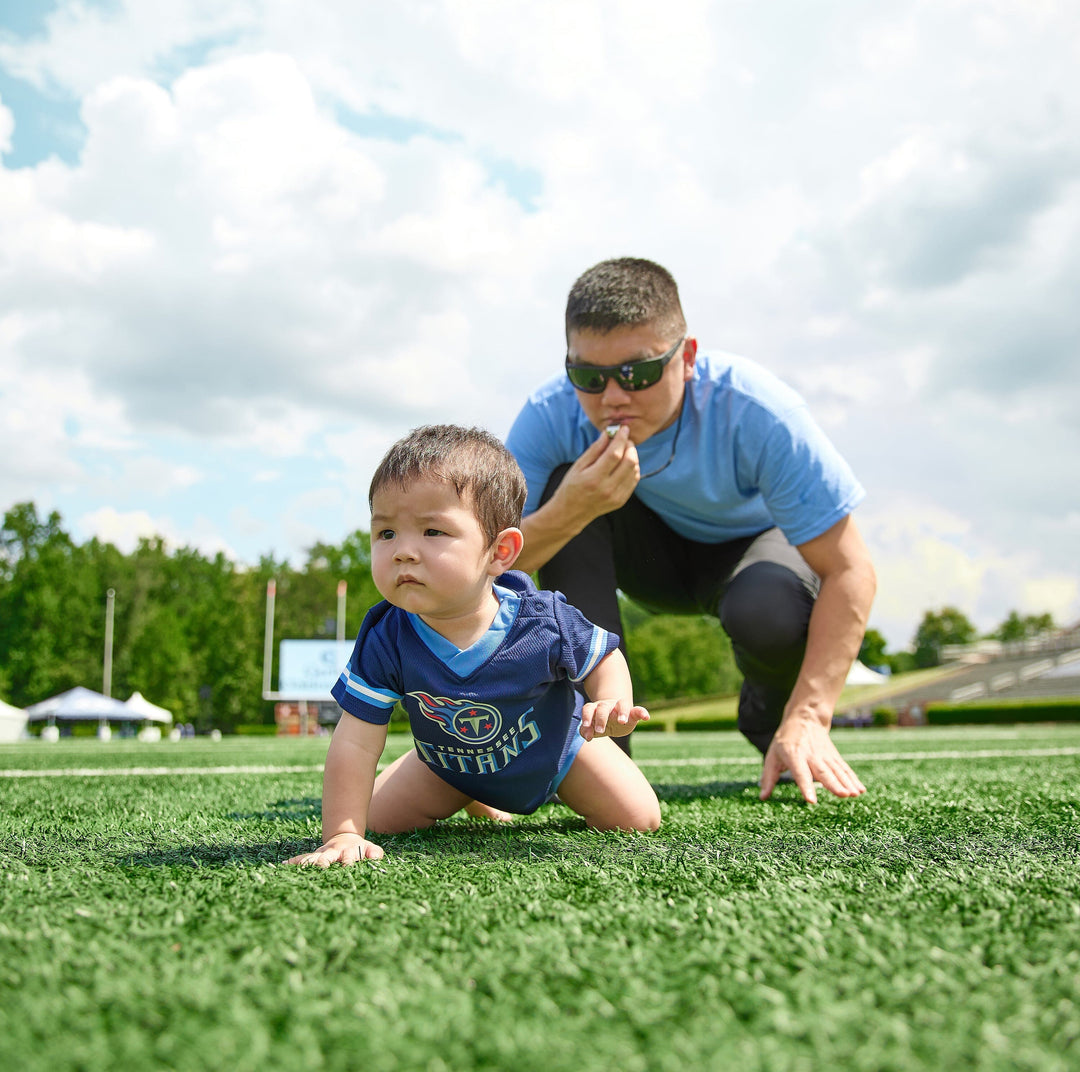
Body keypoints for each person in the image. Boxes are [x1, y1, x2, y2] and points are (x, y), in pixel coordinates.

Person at [505, 258, 876, 805]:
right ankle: (602, 757)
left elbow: (851, 569)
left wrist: (811, 715)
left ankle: (771, 719)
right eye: (587, 376)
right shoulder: (548, 415)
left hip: (748, 556)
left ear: (689, 357)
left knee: (766, 609)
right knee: (565, 487)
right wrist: (569, 511)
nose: (611, 397)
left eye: (637, 373)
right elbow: (487, 564)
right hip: (645, 562)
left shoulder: (758, 411)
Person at [286, 425, 660, 867]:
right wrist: (342, 834)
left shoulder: (541, 620)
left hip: (559, 752)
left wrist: (613, 701)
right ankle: (466, 788)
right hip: (445, 766)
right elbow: (355, 743)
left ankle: (488, 792)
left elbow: (603, 655)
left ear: (500, 551)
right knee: (378, 822)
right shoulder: (386, 636)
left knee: (639, 818)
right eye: (386, 533)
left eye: (432, 531)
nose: (403, 551)